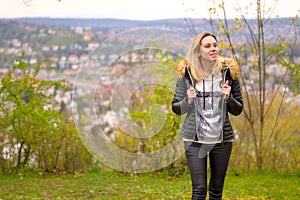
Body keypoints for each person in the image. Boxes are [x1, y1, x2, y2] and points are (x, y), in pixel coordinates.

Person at [172, 31, 243, 200]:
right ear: (198, 51)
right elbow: (176, 108)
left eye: (215, 45)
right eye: (207, 46)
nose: (213, 49)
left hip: (221, 141)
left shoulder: (228, 73)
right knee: (199, 190)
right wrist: (188, 101)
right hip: (194, 140)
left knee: (216, 191)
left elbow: (238, 109)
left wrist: (229, 97)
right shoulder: (187, 75)